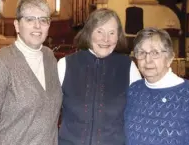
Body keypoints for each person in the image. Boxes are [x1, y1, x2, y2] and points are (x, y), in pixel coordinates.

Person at [0, 0, 62, 145]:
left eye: (43, 20)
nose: (37, 26)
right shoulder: (0, 63)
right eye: (30, 19)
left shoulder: (49, 57)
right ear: (17, 25)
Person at [57, 8, 142, 145]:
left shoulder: (128, 67)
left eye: (112, 33)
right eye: (100, 31)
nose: (106, 39)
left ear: (118, 36)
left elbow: (140, 114)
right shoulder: (66, 65)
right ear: (89, 32)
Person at [124, 27, 189, 145]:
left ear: (169, 58)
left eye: (155, 53)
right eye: (142, 53)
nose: (147, 59)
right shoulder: (133, 90)